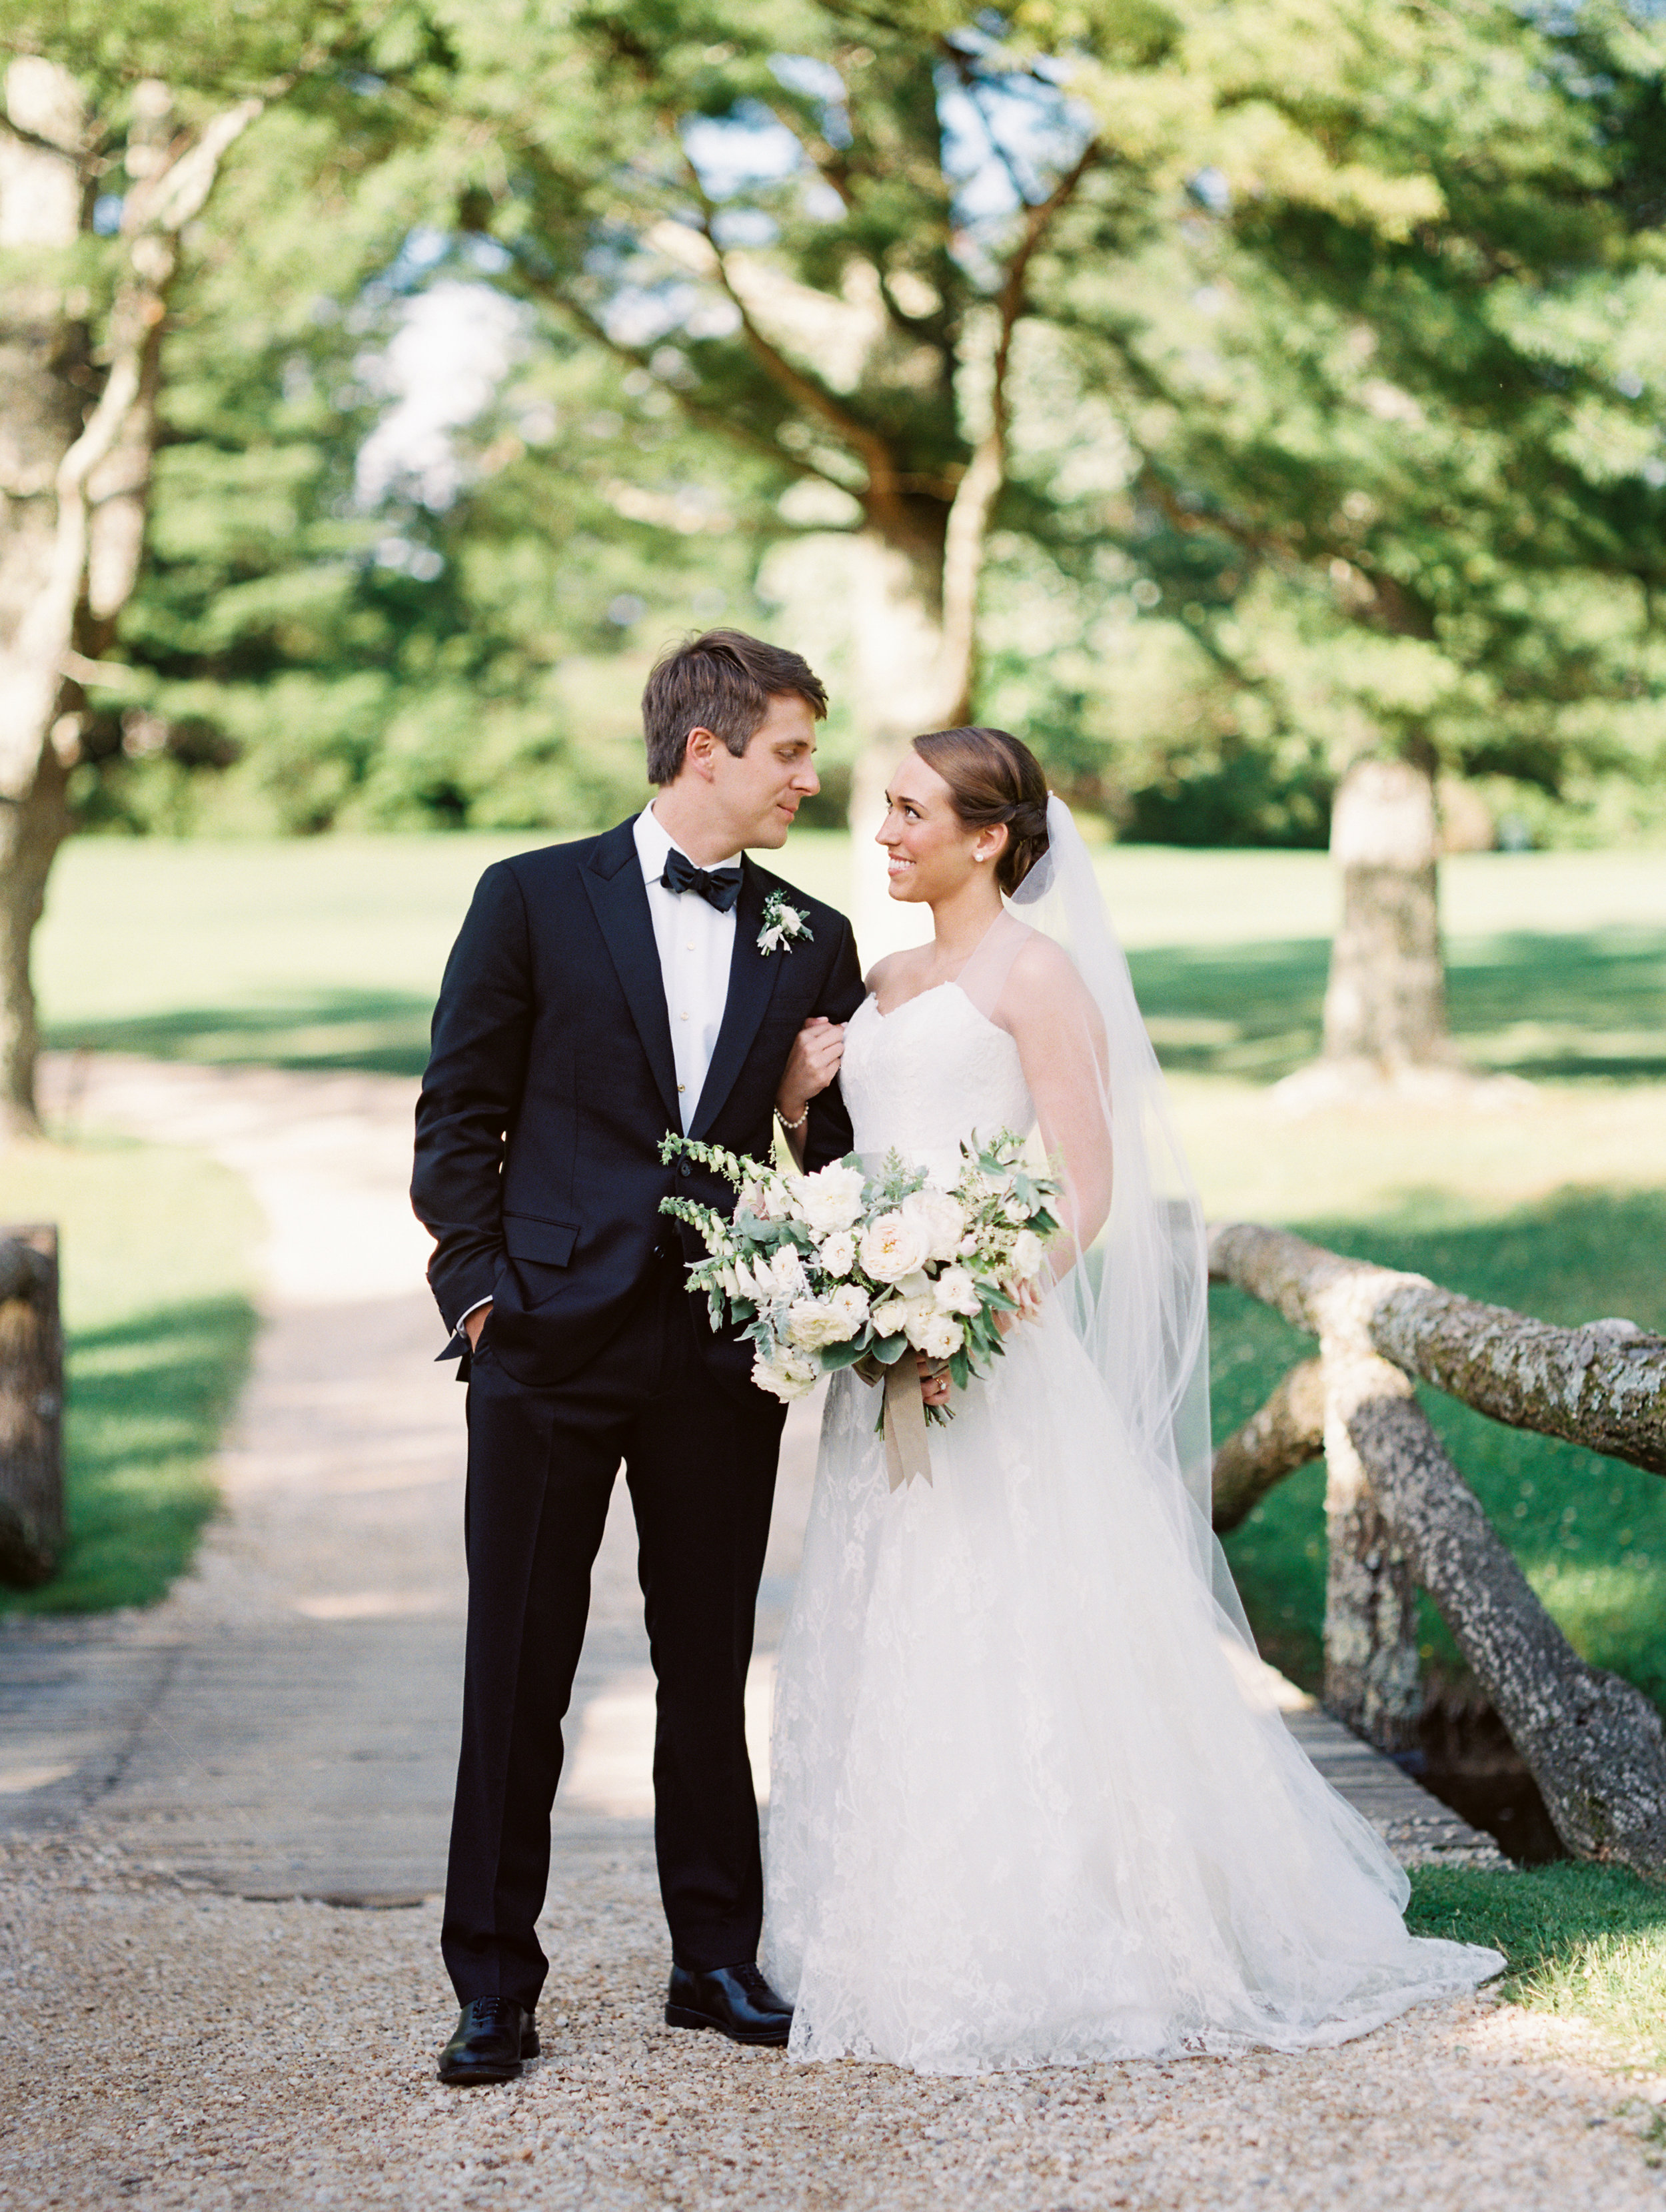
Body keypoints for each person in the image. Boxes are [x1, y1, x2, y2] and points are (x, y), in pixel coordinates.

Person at [759, 724, 1503, 2073]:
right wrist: (806, 1101)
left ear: (987, 837)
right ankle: (882, 1921)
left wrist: (968, 1307)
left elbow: (1081, 1186)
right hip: (880, 1367)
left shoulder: (1034, 977)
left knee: (1011, 1625)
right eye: (883, 808)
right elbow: (865, 1155)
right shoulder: (881, 976)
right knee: (887, 1620)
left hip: (981, 1355)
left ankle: (1063, 1928)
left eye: (910, 811)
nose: (884, 831)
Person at [411, 631, 863, 2085]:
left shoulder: (813, 932)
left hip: (717, 1352)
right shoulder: (531, 897)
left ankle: (712, 1956)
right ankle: (492, 1981)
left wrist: (801, 1103)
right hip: (543, 1339)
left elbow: (833, 1160)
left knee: (705, 1661)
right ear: (706, 751)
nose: (809, 776)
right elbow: (456, 1112)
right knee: (517, 1669)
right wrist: (480, 1293)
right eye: (789, 750)